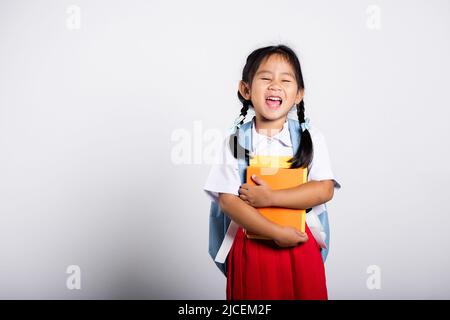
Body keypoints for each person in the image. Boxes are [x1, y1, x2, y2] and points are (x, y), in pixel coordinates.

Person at [204, 45, 341, 300]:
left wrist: (270, 198)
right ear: (245, 89)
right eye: (266, 78)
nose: (275, 85)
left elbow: (324, 189)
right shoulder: (236, 141)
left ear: (299, 94)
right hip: (251, 246)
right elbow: (227, 200)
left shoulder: (311, 139)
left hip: (300, 241)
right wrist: (275, 232)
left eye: (285, 80)